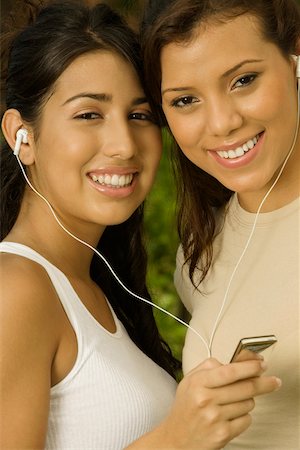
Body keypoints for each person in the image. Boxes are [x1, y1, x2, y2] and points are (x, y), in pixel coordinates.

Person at [0, 1, 281, 449]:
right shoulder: (15, 290)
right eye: (89, 114)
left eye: (139, 115)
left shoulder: (89, 285)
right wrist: (174, 439)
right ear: (22, 135)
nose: (123, 145)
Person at [142, 0, 300, 448]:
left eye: (243, 80)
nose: (222, 123)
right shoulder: (202, 250)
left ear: (294, 61)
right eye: (185, 100)